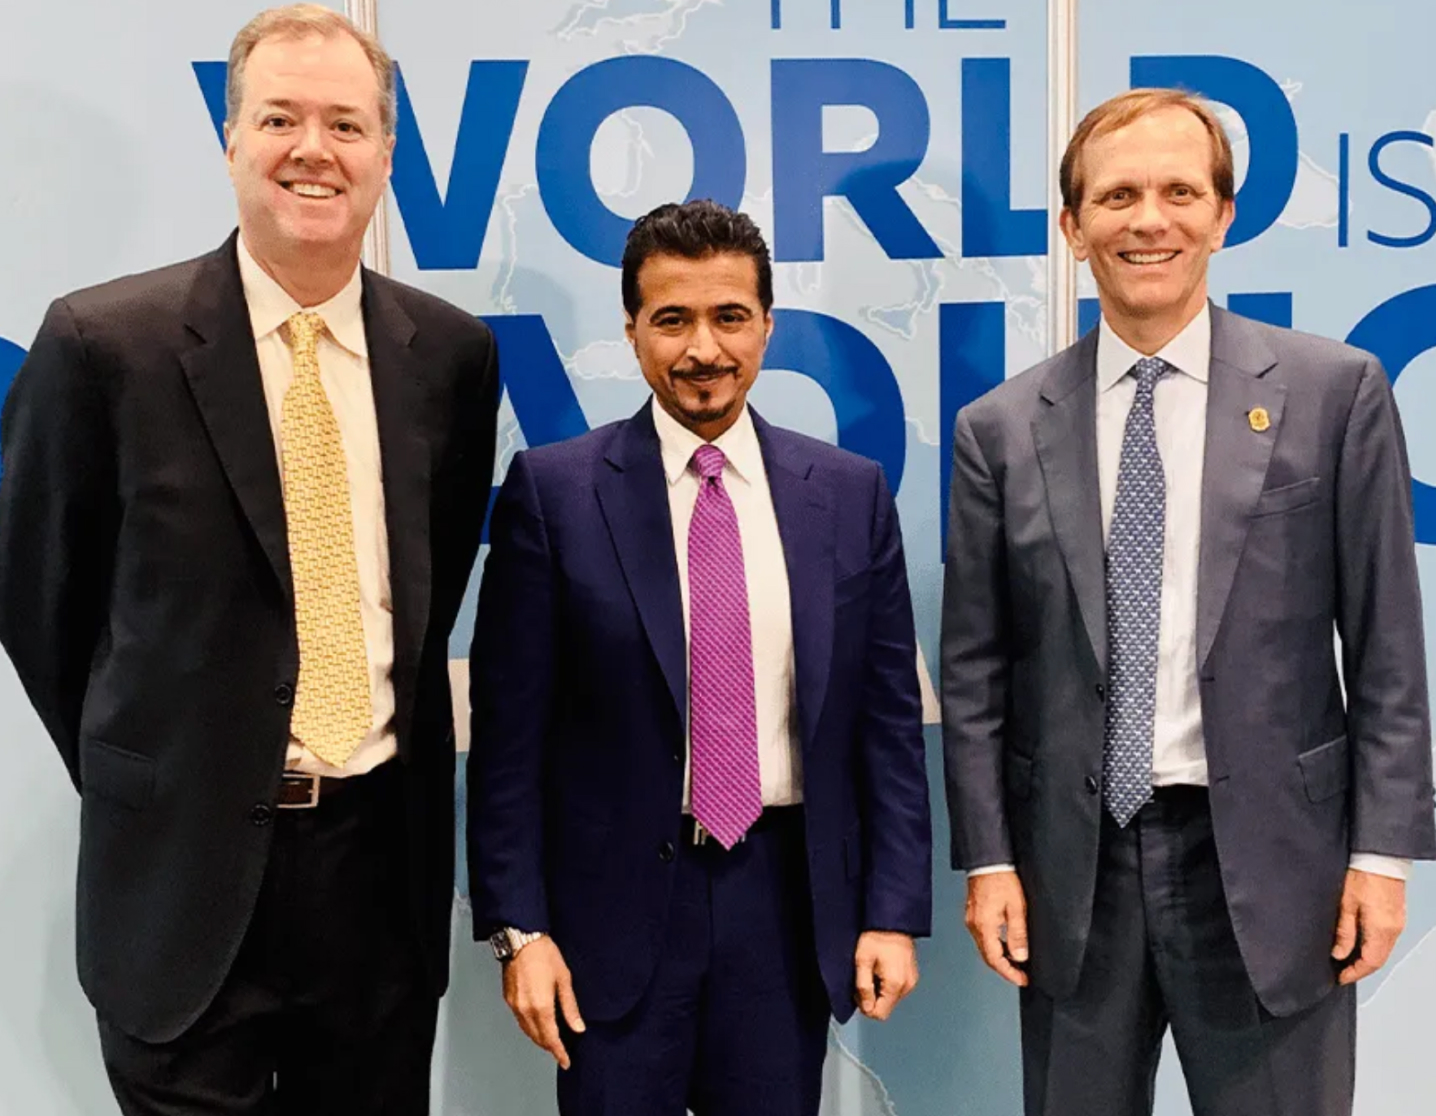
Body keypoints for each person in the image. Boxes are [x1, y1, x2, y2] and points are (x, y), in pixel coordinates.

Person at [0, 6, 498, 1113]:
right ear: (230, 139)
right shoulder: (100, 346)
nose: (313, 150)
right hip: (178, 888)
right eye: (279, 118)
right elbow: (43, 603)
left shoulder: (451, 358)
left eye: (346, 124)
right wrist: (170, 763)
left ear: (385, 153)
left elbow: (433, 585)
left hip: (376, 881)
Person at [941, 88, 1436, 1116]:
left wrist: (1381, 859)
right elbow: (976, 674)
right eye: (1116, 196)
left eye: (1177, 190)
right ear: (1073, 230)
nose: (1147, 219)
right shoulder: (996, 429)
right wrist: (987, 860)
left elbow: (1386, 645)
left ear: (1221, 215)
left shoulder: (1333, 393)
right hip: (1073, 878)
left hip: (1271, 867)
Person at [467, 198, 931, 1116]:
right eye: (672, 319)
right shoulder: (555, 495)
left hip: (784, 905)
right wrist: (521, 932)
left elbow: (887, 731)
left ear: (767, 325)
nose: (702, 350)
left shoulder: (847, 496)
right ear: (634, 329)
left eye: (728, 317)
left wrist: (890, 911)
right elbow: (509, 743)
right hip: (610, 918)